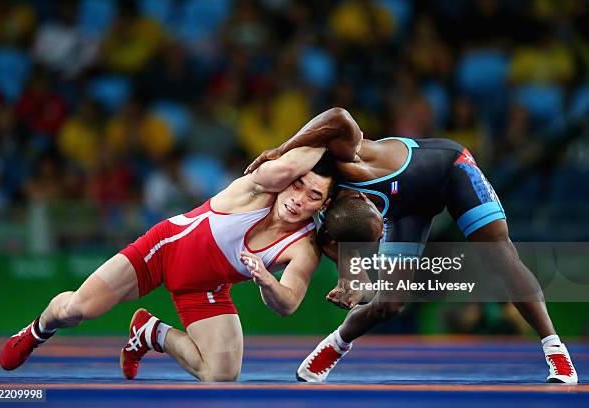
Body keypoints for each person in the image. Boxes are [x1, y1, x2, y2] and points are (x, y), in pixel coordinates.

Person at [245, 108, 578, 384]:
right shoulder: (327, 205)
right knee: (388, 304)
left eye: (308, 188)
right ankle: (334, 345)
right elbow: (346, 239)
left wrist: (280, 148)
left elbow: (340, 116)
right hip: (407, 209)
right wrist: (349, 282)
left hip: (450, 170)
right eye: (301, 192)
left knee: (500, 257)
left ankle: (556, 351)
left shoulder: (344, 157)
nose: (304, 197)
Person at [0, 146, 357, 382]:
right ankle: (35, 331)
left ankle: (151, 332)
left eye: (313, 196)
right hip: (164, 250)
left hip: (206, 288)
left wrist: (267, 281)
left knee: (221, 377)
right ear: (288, 179)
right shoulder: (259, 187)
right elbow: (298, 159)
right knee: (76, 309)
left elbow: (287, 304)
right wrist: (331, 139)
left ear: (322, 206)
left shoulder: (305, 246)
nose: (297, 200)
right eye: (297, 186)